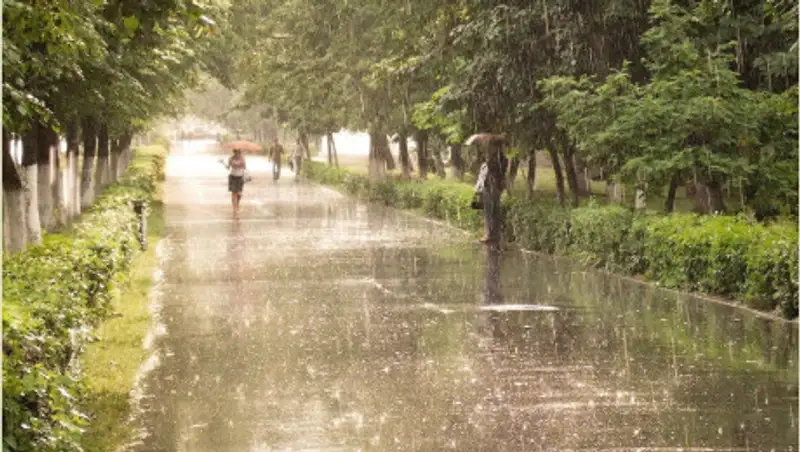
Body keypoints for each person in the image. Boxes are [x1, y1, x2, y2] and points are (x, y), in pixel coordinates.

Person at [222, 148, 247, 217]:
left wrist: (241, 164)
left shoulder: (242, 158)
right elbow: (228, 167)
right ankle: (234, 208)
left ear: (240, 152)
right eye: (235, 152)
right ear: (234, 152)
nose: (236, 154)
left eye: (238, 152)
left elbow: (245, 167)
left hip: (240, 177)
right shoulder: (231, 158)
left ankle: (237, 203)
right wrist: (223, 163)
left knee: (239, 194)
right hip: (232, 177)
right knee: (233, 193)